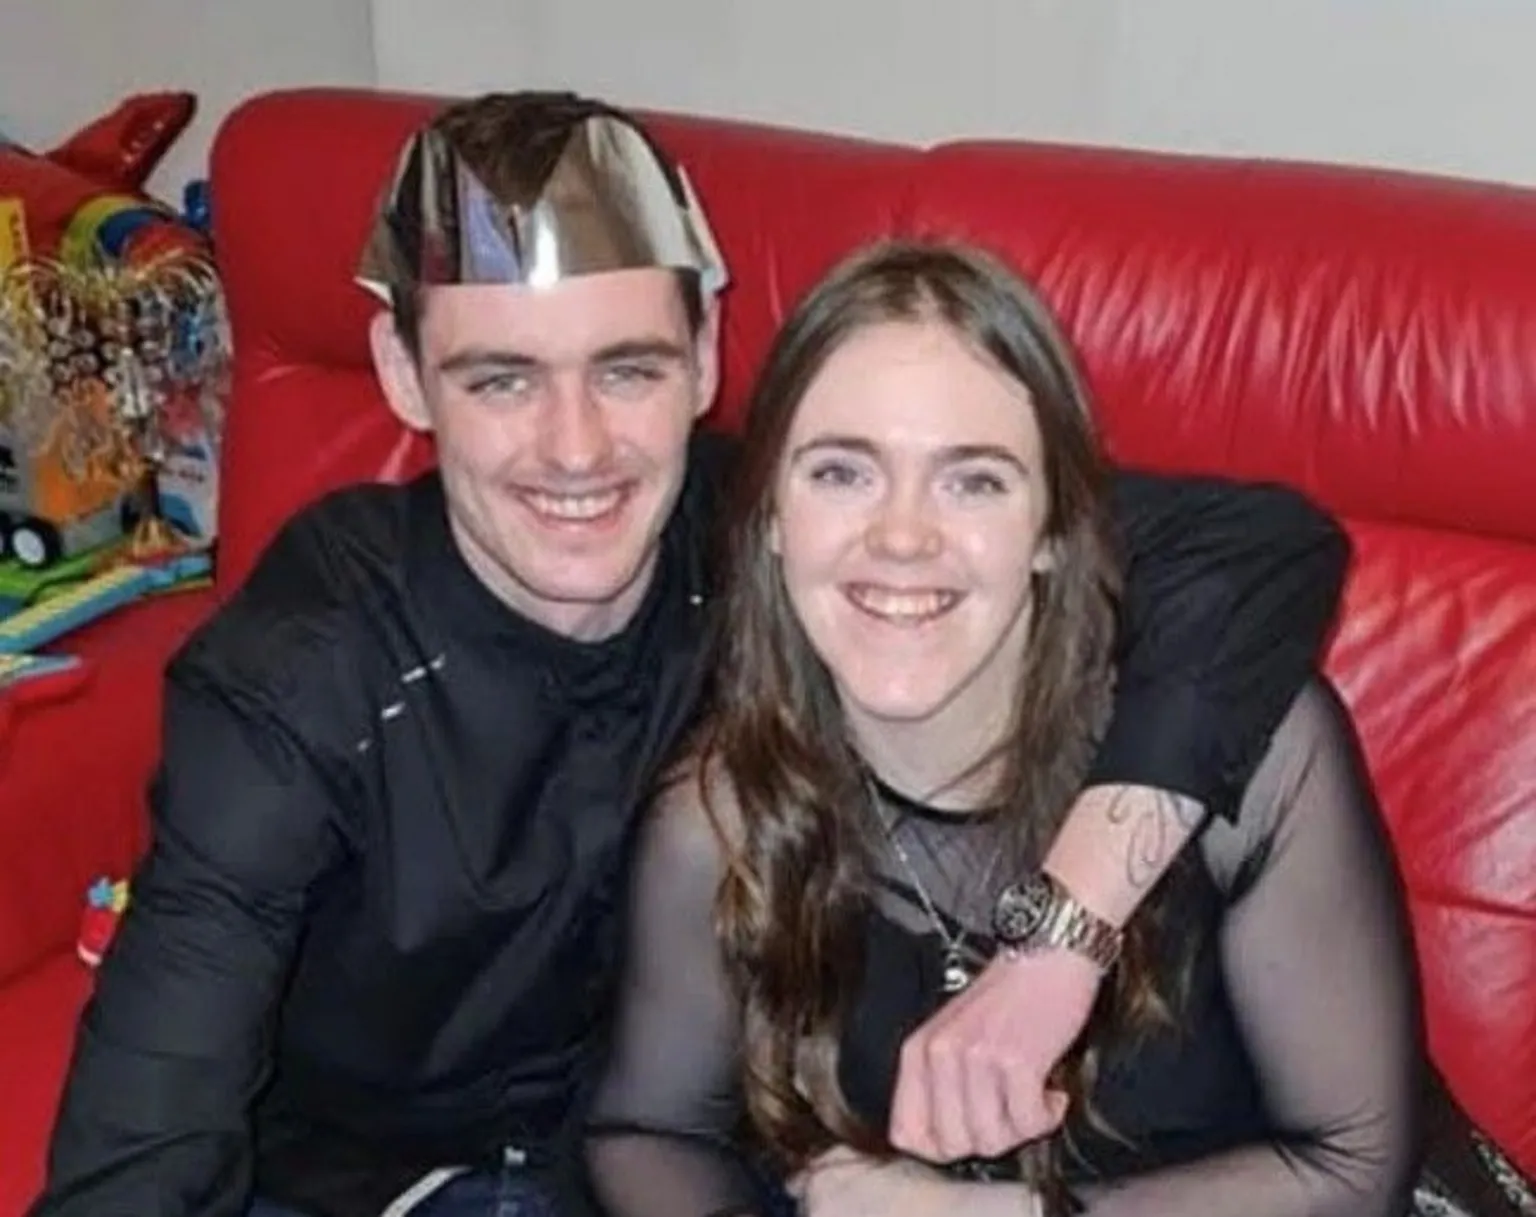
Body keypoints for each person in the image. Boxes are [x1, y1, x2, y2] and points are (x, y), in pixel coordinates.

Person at [32, 95, 1350, 1217]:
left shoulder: (786, 537)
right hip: (360, 1183)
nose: (575, 448)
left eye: (628, 369)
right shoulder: (304, 665)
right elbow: (153, 1109)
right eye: (499, 379)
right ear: (400, 368)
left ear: (709, 350)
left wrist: (1058, 942)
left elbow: (1254, 548)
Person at [581, 240, 1536, 1217]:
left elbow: (1351, 1167)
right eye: (841, 473)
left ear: (1054, 528)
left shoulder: (1255, 756)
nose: (903, 536)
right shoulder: (725, 812)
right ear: (771, 514)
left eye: (975, 481)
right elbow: (648, 1131)